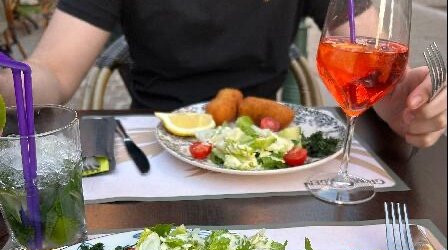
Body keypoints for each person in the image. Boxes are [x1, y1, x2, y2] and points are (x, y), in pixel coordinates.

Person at [0, 0, 446, 148]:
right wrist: (7, 81)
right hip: (154, 143)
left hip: (269, 149)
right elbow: (53, 73)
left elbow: (365, 51)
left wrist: (397, 99)